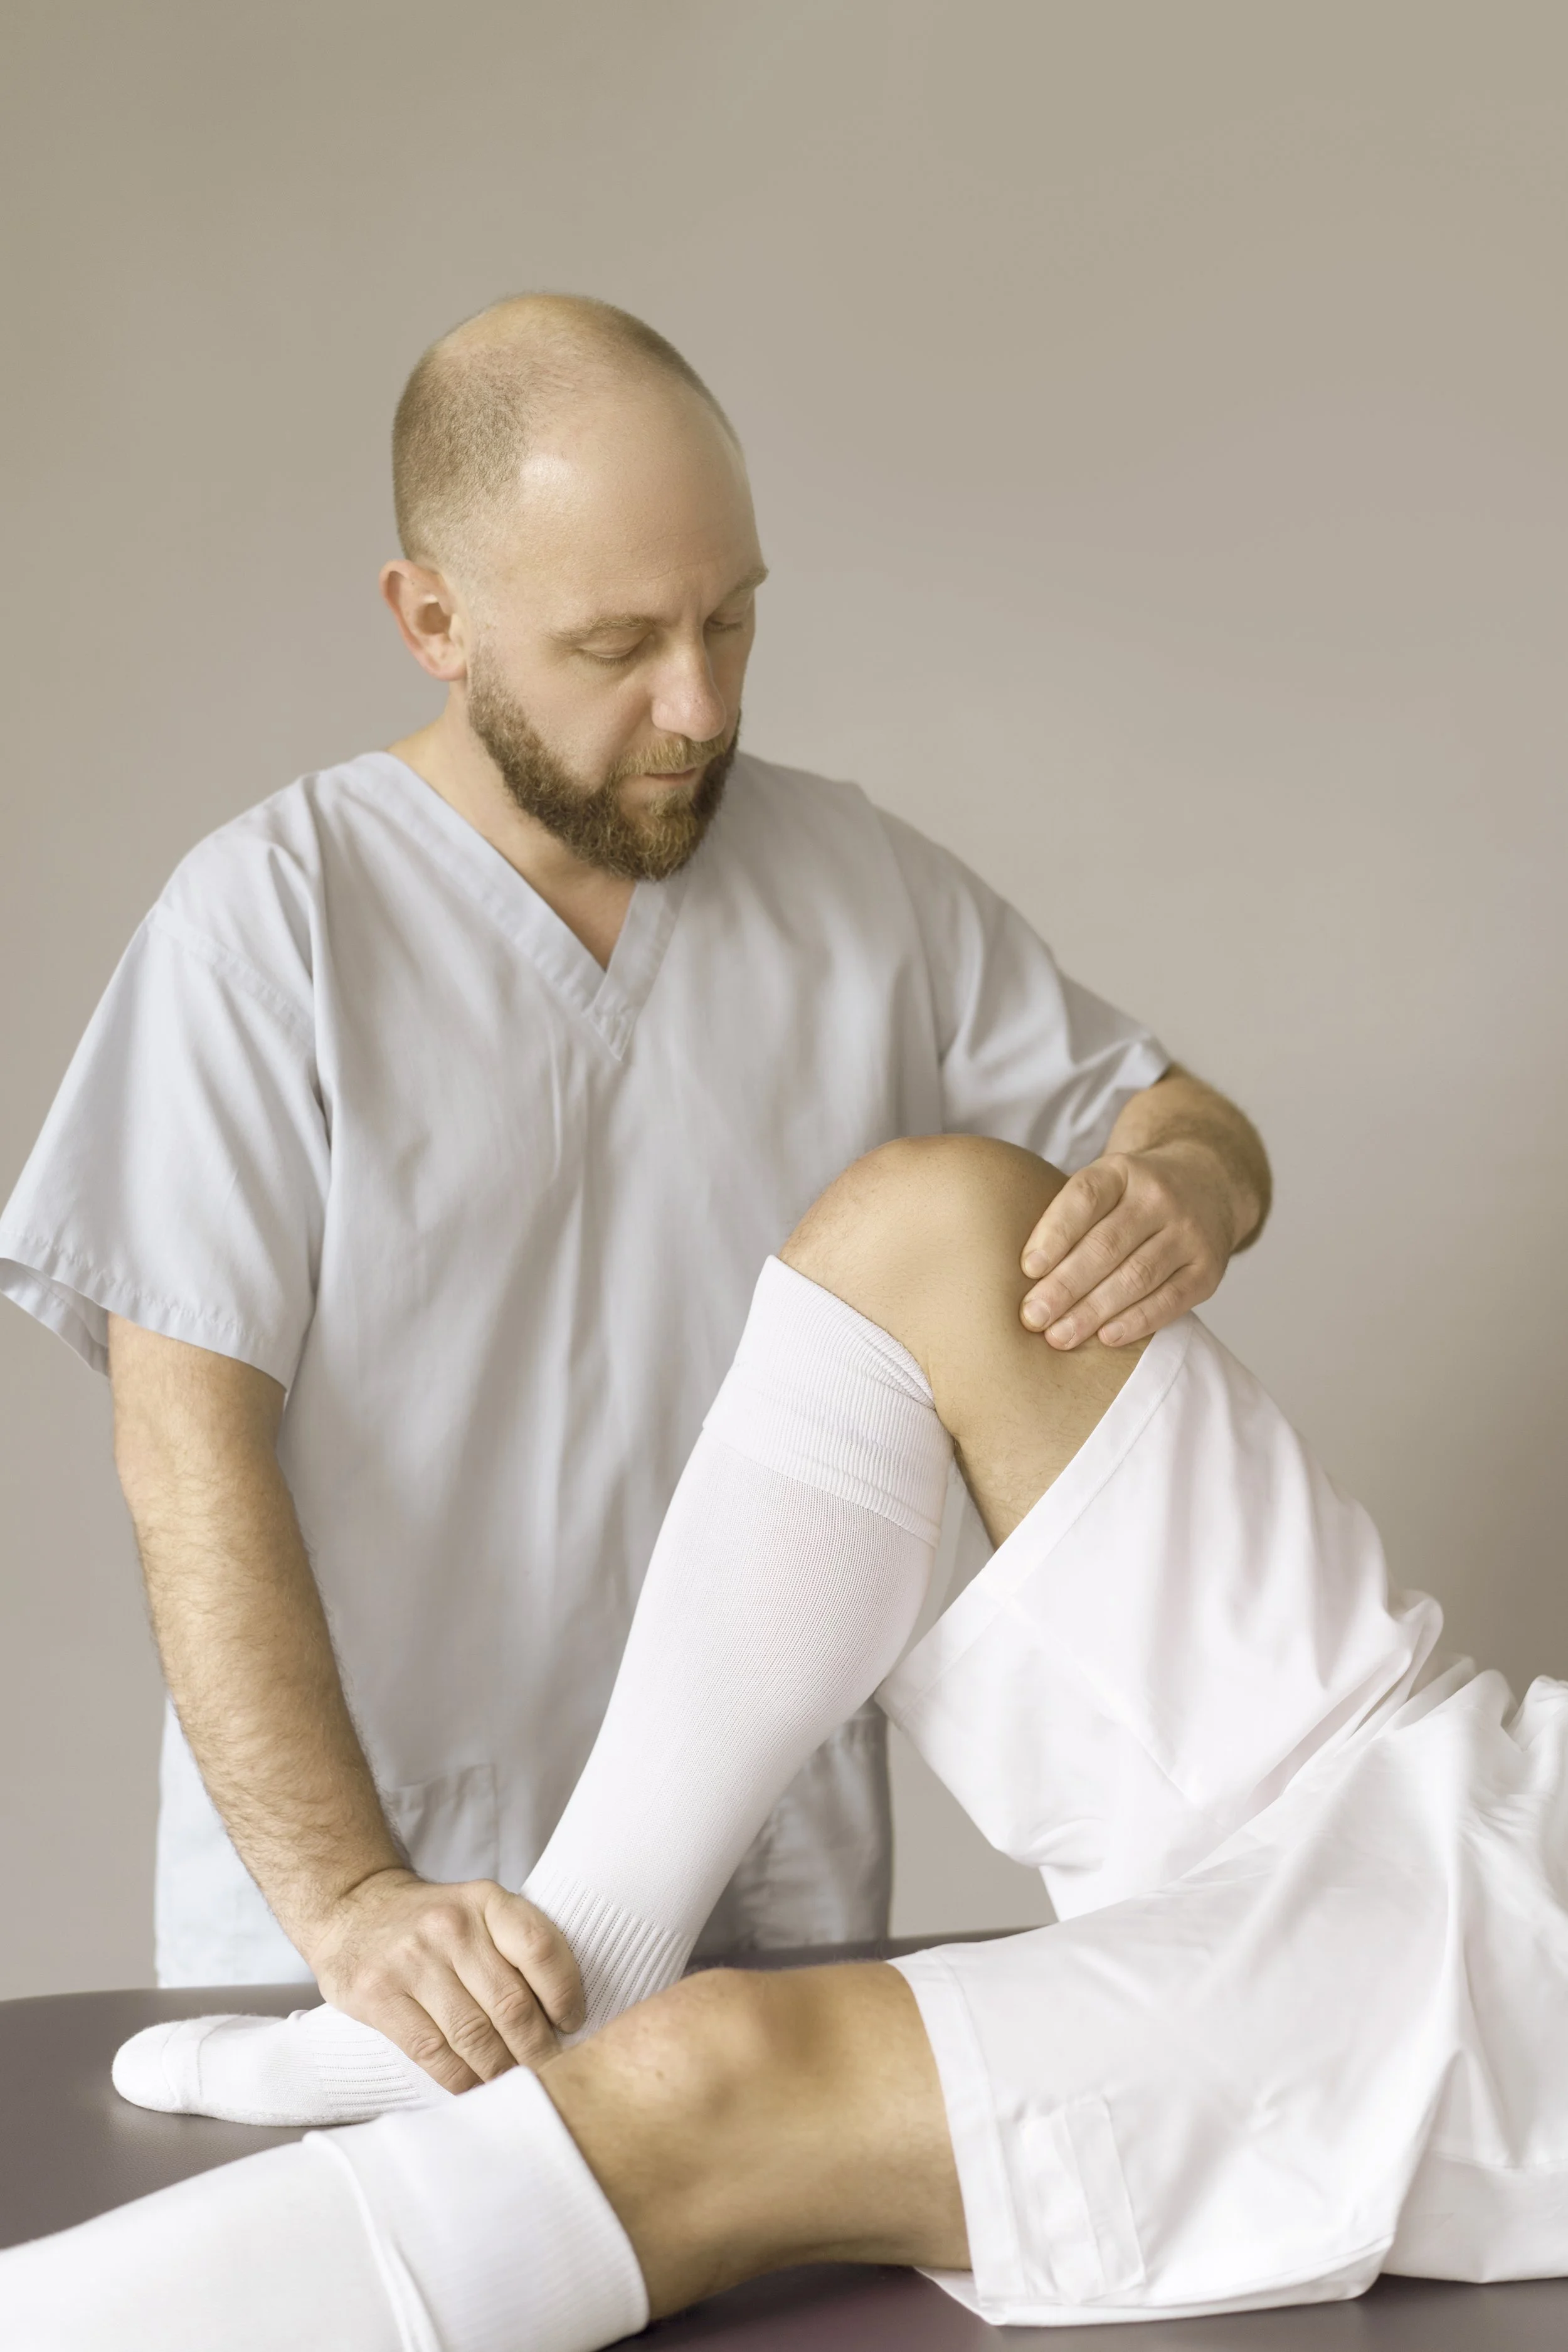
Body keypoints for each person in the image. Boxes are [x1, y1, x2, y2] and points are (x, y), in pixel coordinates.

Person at [0, 294, 1271, 2084]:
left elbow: (1178, 1116)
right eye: (618, 645)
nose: (699, 704)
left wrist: (1186, 1189)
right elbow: (182, 1454)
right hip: (394, 1921)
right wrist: (356, 1892)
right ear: (430, 619)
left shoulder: (859, 888)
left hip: (777, 1913)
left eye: (731, 619)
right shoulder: (266, 929)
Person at [8, 1135, 1562, 2348]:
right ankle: (586, 1947)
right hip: (1481, 1781)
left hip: (1519, 1986)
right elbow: (1186, 1122)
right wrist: (1191, 1182)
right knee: (935, 1228)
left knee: (710, 2074)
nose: (691, 707)